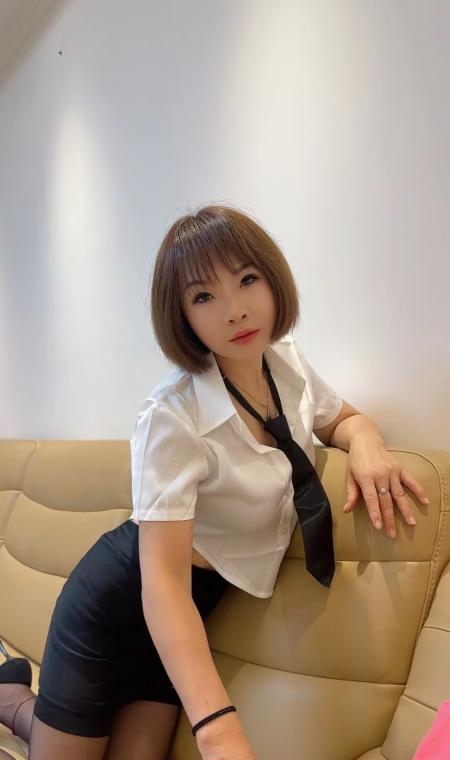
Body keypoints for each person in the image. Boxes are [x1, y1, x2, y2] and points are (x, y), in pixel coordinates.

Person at [0, 204, 430, 760]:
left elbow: (340, 419)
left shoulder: (287, 364)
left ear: (272, 278)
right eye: (204, 297)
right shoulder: (171, 417)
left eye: (247, 279)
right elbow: (162, 584)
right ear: (182, 317)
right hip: (121, 603)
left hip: (188, 614)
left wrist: (367, 442)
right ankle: (14, 700)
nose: (235, 310)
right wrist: (218, 728)